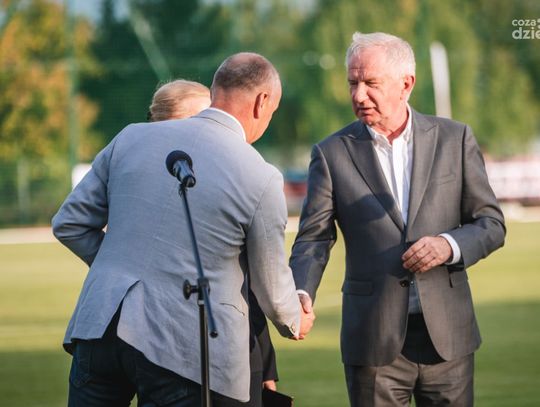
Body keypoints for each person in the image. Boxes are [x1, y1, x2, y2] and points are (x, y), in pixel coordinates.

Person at [52, 52, 314, 406]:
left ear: (215, 90)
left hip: (99, 328)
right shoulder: (260, 175)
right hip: (182, 346)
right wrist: (295, 320)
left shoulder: (130, 138)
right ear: (262, 102)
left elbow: (70, 223)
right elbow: (272, 287)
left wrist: (123, 268)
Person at [289, 32, 505, 406]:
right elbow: (314, 237)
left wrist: (448, 245)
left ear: (406, 84)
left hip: (448, 337)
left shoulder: (455, 139)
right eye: (352, 83)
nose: (359, 95)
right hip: (372, 339)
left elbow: (490, 223)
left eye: (371, 83)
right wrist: (300, 292)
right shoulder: (330, 153)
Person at [147, 78, 281, 407]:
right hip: (165, 348)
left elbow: (249, 281)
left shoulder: (230, 178)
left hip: (237, 346)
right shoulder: (144, 191)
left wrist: (266, 363)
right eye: (197, 120)